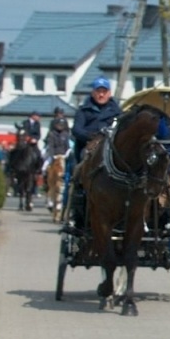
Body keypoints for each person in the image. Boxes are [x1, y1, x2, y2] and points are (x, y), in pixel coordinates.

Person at [67, 77, 121, 228]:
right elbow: (77, 130)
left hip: (111, 147)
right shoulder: (84, 111)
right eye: (98, 91)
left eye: (104, 91)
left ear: (109, 93)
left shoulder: (117, 112)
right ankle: (83, 185)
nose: (101, 95)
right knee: (86, 155)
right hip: (90, 145)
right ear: (93, 93)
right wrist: (92, 136)